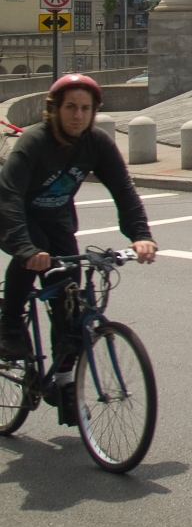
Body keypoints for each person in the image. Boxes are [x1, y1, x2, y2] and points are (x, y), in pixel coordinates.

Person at [0, 74, 157, 366]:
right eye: (71, 107)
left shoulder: (96, 143)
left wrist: (141, 235)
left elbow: (123, 190)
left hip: (56, 219)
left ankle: (65, 380)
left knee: (69, 301)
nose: (78, 116)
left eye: (86, 109)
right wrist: (26, 250)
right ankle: (8, 326)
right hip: (12, 214)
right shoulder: (33, 142)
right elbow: (8, 198)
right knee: (36, 248)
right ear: (55, 110)